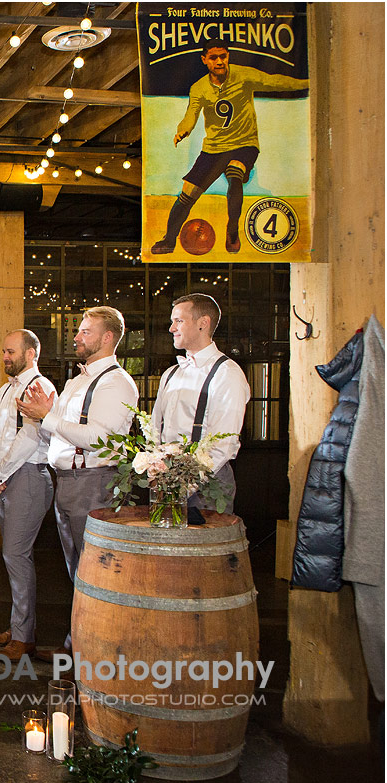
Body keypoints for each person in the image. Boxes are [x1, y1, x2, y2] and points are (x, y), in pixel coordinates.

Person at [18, 307, 138, 659]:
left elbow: (97, 437)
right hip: (67, 481)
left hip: (94, 481)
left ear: (107, 338)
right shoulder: (77, 380)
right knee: (76, 570)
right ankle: (77, 646)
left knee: (95, 572)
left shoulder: (117, 383)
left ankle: (94, 654)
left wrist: (48, 418)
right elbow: (60, 431)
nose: (76, 336)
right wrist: (44, 417)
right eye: (79, 331)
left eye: (85, 331)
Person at [151, 39, 310, 255]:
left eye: (223, 56)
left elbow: (272, 81)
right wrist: (183, 130)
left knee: (235, 171)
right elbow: (191, 114)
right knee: (187, 193)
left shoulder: (243, 76)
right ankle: (168, 241)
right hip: (214, 148)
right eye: (214, 58)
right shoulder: (199, 88)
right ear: (204, 60)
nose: (219, 61)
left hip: (244, 143)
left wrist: (305, 83)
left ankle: (232, 230)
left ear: (228, 57)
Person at [0, 330, 57, 660]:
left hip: (28, 478)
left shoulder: (40, 388)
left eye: (10, 352)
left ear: (31, 354)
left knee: (16, 555)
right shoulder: (4, 390)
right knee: (11, 558)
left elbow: (28, 439)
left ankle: (24, 637)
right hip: (2, 478)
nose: (5, 357)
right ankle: (18, 626)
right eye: (3, 352)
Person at [151, 293, 250, 512]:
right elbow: (155, 427)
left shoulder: (226, 373)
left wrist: (183, 485)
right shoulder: (171, 373)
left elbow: (223, 445)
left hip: (208, 485)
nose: (171, 328)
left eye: (179, 321)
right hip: (166, 481)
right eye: (172, 322)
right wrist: (157, 473)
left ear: (203, 323)